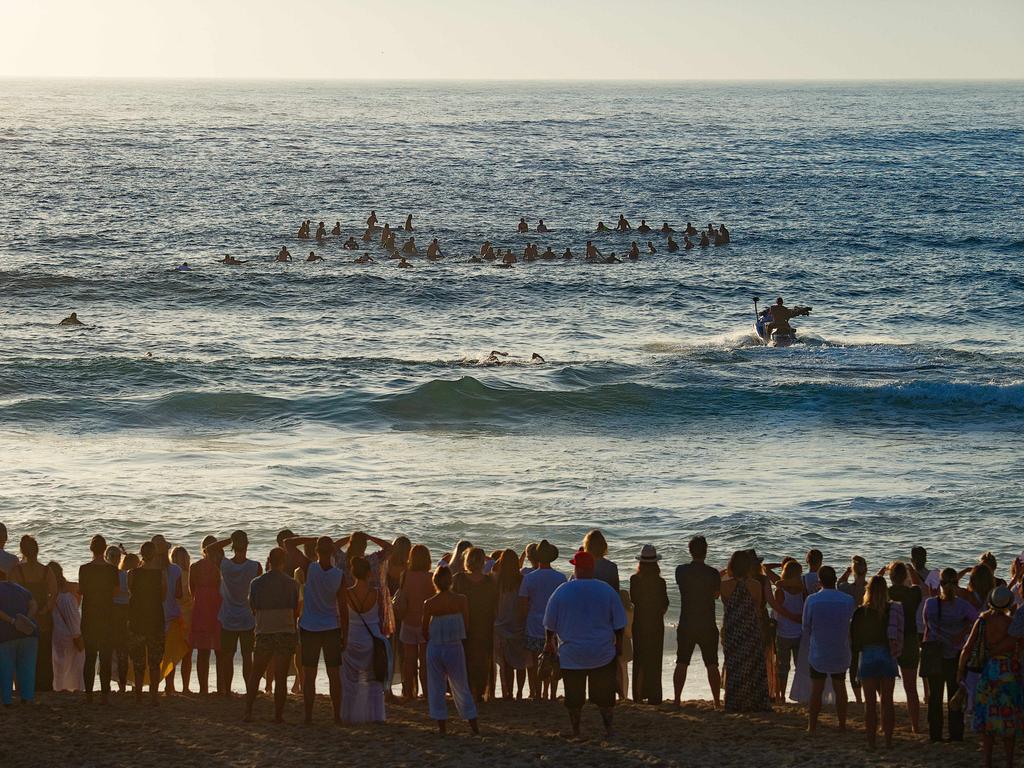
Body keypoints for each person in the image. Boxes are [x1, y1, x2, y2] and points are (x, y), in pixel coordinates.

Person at [544, 549, 626, 738]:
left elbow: (550, 624)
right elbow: (619, 623)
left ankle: (576, 730)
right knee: (605, 698)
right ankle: (608, 729)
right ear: (592, 568)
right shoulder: (606, 589)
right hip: (602, 652)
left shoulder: (562, 590)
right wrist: (618, 644)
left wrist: (549, 643)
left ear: (577, 568)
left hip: (572, 654)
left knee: (574, 699)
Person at [285, 535, 344, 724]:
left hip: (310, 626)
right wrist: (347, 634)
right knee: (334, 675)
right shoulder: (338, 575)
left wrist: (313, 537)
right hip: (332, 627)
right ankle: (336, 716)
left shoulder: (309, 568)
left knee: (309, 675)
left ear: (316, 551)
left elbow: (288, 543)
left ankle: (309, 716)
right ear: (334, 552)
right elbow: (343, 608)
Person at [969, 586, 1024, 767]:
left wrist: (961, 670)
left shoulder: (983, 621)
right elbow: (1017, 645)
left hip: (990, 670)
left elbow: (968, 647)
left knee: (987, 717)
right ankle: (1009, 761)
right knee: (1009, 718)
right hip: (1009, 670)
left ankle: (987, 760)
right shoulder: (1012, 622)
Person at [244, 547, 299, 723]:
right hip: (285, 630)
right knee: (281, 677)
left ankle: (248, 712)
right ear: (284, 562)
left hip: (264, 630)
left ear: (268, 560)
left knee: (256, 673)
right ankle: (278, 715)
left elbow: (253, 607)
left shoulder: (256, 583)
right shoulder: (292, 583)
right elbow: (295, 609)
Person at [423, 565, 478, 734]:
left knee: (436, 686)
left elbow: (424, 631)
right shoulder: (461, 600)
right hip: (454, 645)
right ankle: (473, 724)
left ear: (435, 582)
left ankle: (442, 728)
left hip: (436, 646)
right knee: (461, 685)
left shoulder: (429, 603)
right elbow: (467, 625)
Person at [850, 576, 902, 748]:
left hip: (868, 654)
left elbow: (854, 640)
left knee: (870, 703)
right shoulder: (891, 610)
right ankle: (888, 741)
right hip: (886, 654)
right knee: (887, 701)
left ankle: (871, 742)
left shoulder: (860, 612)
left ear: (868, 591)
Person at [803, 565, 855, 732]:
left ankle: (812, 726)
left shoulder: (811, 600)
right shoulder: (847, 600)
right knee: (840, 687)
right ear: (835, 580)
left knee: (816, 689)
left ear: (819, 582)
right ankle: (841, 724)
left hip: (819, 650)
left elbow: (806, 626)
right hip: (840, 649)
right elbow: (849, 622)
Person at [923, 567, 972, 742]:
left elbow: (927, 625)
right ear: (957, 583)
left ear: (940, 584)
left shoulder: (930, 603)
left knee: (935, 696)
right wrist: (962, 631)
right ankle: (956, 733)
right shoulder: (963, 605)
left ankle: (935, 734)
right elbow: (977, 621)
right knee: (955, 695)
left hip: (935, 654)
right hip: (956, 654)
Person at [210, 531, 262, 697]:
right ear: (247, 545)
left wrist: (229, 540)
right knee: (248, 656)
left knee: (228, 656)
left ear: (233, 546)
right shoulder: (255, 566)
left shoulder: (225, 565)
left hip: (228, 616)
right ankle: (249, 689)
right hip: (248, 616)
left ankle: (227, 691)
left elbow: (209, 549)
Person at [720, 549, 771, 713]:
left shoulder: (724, 586)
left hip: (732, 629)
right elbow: (756, 608)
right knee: (753, 665)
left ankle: (734, 701)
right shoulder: (756, 586)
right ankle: (755, 701)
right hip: (750, 628)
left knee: (734, 665)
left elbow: (726, 605)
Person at [673, 535, 721, 706]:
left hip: (687, 622)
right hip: (707, 623)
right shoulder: (713, 573)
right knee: (712, 663)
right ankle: (716, 701)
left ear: (690, 551)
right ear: (706, 551)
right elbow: (716, 595)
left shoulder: (681, 571)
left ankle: (677, 699)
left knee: (682, 662)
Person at [341, 556, 387, 723]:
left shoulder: (346, 593)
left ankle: (349, 714)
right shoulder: (376, 593)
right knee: (373, 679)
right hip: (371, 640)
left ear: (353, 574)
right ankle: (374, 715)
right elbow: (382, 618)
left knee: (349, 680)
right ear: (368, 573)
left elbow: (342, 618)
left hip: (351, 639)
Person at [518, 539, 566, 699]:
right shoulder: (560, 578)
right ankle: (550, 693)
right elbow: (562, 605)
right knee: (553, 660)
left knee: (533, 663)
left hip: (533, 623)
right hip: (553, 625)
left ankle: (537, 692)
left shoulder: (529, 578)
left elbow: (523, 605)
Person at [11, 535, 57, 691]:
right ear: (37, 551)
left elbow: (13, 594)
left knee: (23, 655)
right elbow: (53, 593)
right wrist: (46, 609)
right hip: (43, 618)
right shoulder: (46, 571)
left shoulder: (17, 571)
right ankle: (44, 687)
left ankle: (25, 686)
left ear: (22, 551)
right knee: (44, 655)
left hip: (24, 617)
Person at [453, 547, 497, 701]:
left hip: (463, 624)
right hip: (485, 624)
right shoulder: (489, 581)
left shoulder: (458, 579)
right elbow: (494, 605)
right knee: (483, 659)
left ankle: (466, 690)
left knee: (464, 658)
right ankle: (479, 691)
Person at [79, 534, 118, 703]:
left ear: (91, 549)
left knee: (90, 657)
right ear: (105, 549)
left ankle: (88, 694)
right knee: (105, 657)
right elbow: (115, 592)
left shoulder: (84, 569)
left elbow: (81, 590)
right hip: (107, 616)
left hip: (89, 616)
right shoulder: (111, 570)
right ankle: (104, 694)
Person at [128, 541, 167, 704]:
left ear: (141, 554)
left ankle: (138, 694)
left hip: (137, 619)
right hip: (155, 618)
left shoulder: (132, 573)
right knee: (154, 660)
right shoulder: (161, 574)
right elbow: (163, 596)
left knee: (138, 660)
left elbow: (131, 591)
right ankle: (153, 695)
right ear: (155, 555)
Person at [887, 561, 923, 732]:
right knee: (911, 689)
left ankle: (887, 725)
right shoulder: (913, 593)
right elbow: (919, 585)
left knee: (887, 688)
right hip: (909, 640)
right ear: (905, 577)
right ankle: (915, 725)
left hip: (891, 640)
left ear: (891, 577)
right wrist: (911, 569)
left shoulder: (887, 593)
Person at [629, 545, 668, 704]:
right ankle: (654, 696)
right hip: (656, 624)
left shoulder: (634, 579)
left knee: (639, 660)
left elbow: (634, 600)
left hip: (639, 623)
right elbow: (664, 604)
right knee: (654, 659)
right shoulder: (660, 582)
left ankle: (637, 696)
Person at [394, 544, 433, 701]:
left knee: (409, 660)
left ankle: (409, 693)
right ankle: (426, 693)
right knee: (424, 661)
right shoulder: (430, 577)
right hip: (425, 624)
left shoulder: (405, 575)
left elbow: (403, 597)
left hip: (408, 621)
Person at [0, 565, 38, 705]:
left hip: (5, 634)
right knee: (27, 666)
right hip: (29, 632)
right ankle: (27, 698)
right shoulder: (21, 589)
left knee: (5, 666)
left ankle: (7, 700)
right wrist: (26, 619)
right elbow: (34, 605)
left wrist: (12, 621)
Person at [189, 536, 222, 695]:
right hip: (216, 606)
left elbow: (191, 591)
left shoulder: (194, 566)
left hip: (201, 607)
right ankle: (221, 688)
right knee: (220, 650)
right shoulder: (219, 566)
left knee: (203, 651)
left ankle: (203, 689)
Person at [492, 548, 527, 699]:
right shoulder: (522, 579)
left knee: (506, 664)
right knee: (520, 662)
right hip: (518, 624)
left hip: (500, 624)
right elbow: (524, 603)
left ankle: (509, 692)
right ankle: (520, 692)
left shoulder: (496, 579)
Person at [772, 560, 805, 699]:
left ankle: (782, 695)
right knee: (796, 667)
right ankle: (793, 694)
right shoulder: (802, 590)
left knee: (784, 667)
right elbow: (779, 609)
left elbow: (777, 610)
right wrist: (793, 617)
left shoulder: (782, 590)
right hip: (795, 633)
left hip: (785, 633)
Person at [50, 561, 84, 692]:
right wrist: (78, 636)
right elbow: (74, 620)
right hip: (69, 635)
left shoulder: (51, 596)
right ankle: (74, 689)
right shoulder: (67, 598)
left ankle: (59, 688)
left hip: (56, 635)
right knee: (75, 665)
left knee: (59, 665)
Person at [839, 555, 868, 703]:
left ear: (854, 571)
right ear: (866, 570)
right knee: (867, 662)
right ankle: (870, 693)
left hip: (851, 629)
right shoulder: (869, 589)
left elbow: (839, 583)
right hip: (868, 629)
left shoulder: (847, 589)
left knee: (854, 663)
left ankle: (858, 698)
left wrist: (847, 571)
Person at [106, 545, 130, 692]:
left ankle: (109, 684)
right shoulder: (125, 575)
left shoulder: (106, 575)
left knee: (109, 650)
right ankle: (122, 685)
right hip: (124, 612)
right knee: (122, 651)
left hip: (111, 612)